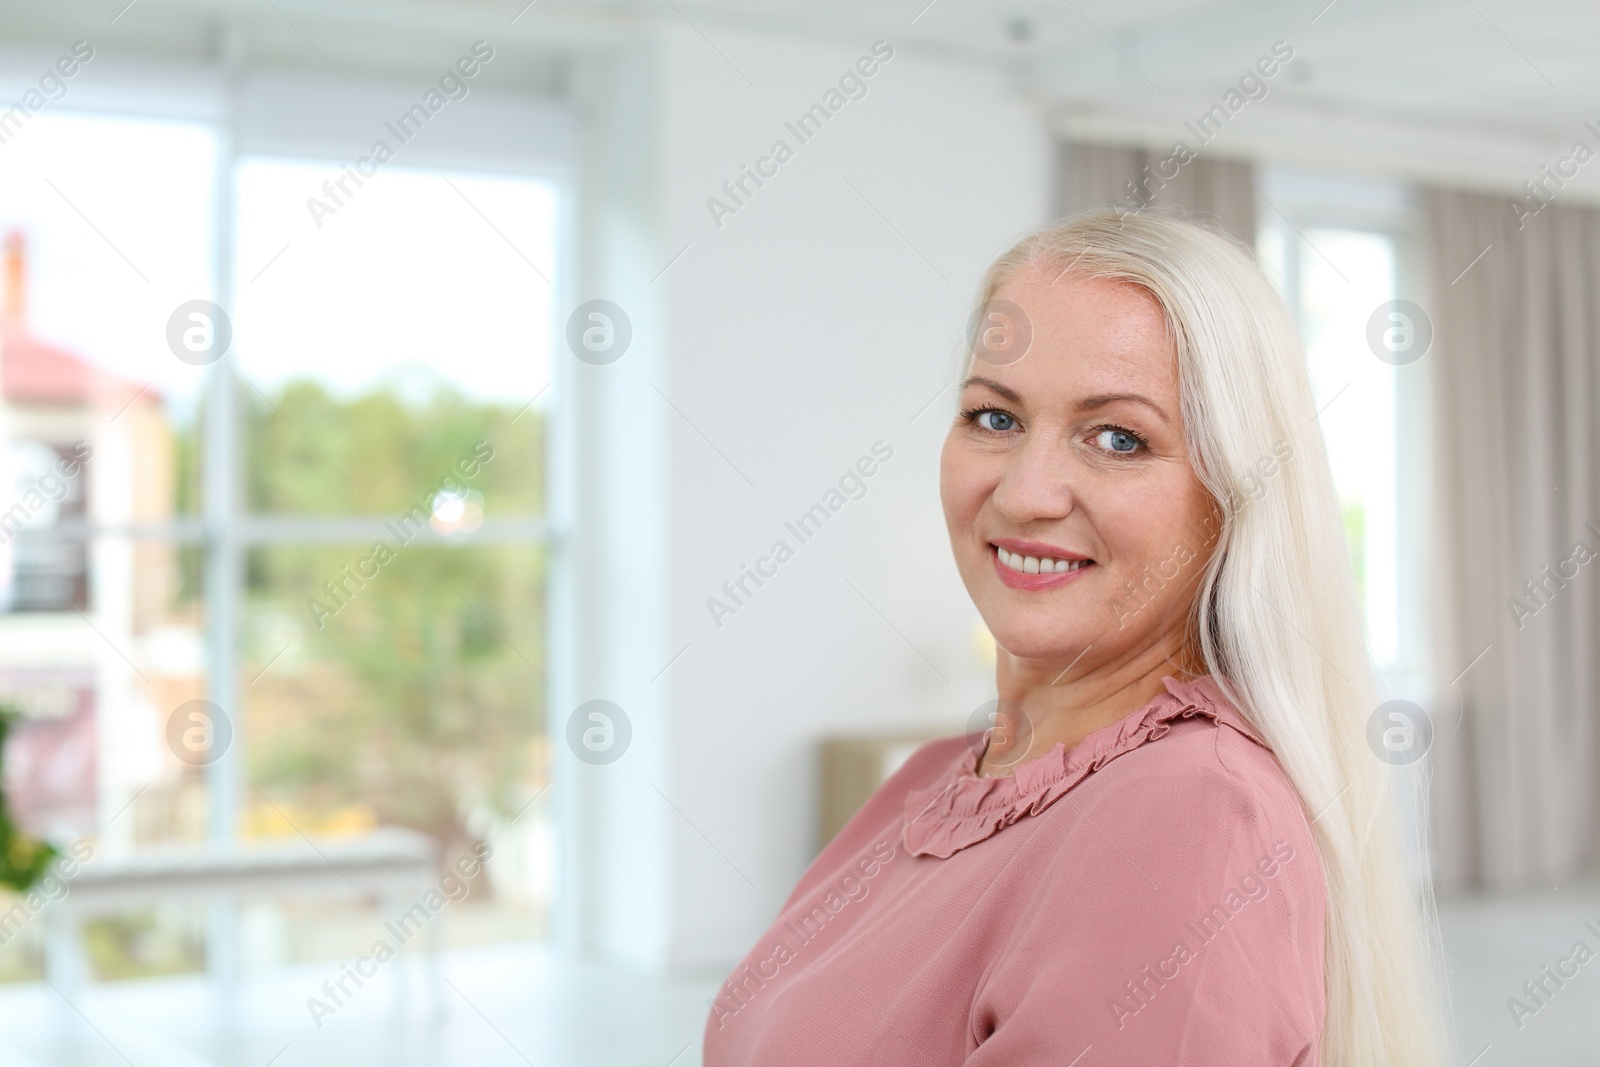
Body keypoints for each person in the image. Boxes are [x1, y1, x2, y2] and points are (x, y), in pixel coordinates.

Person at [701, 210, 1445, 1066]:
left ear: (1232, 498)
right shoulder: (932, 778)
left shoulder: (1193, 816)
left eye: (1118, 437)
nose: (1026, 493)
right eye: (994, 418)